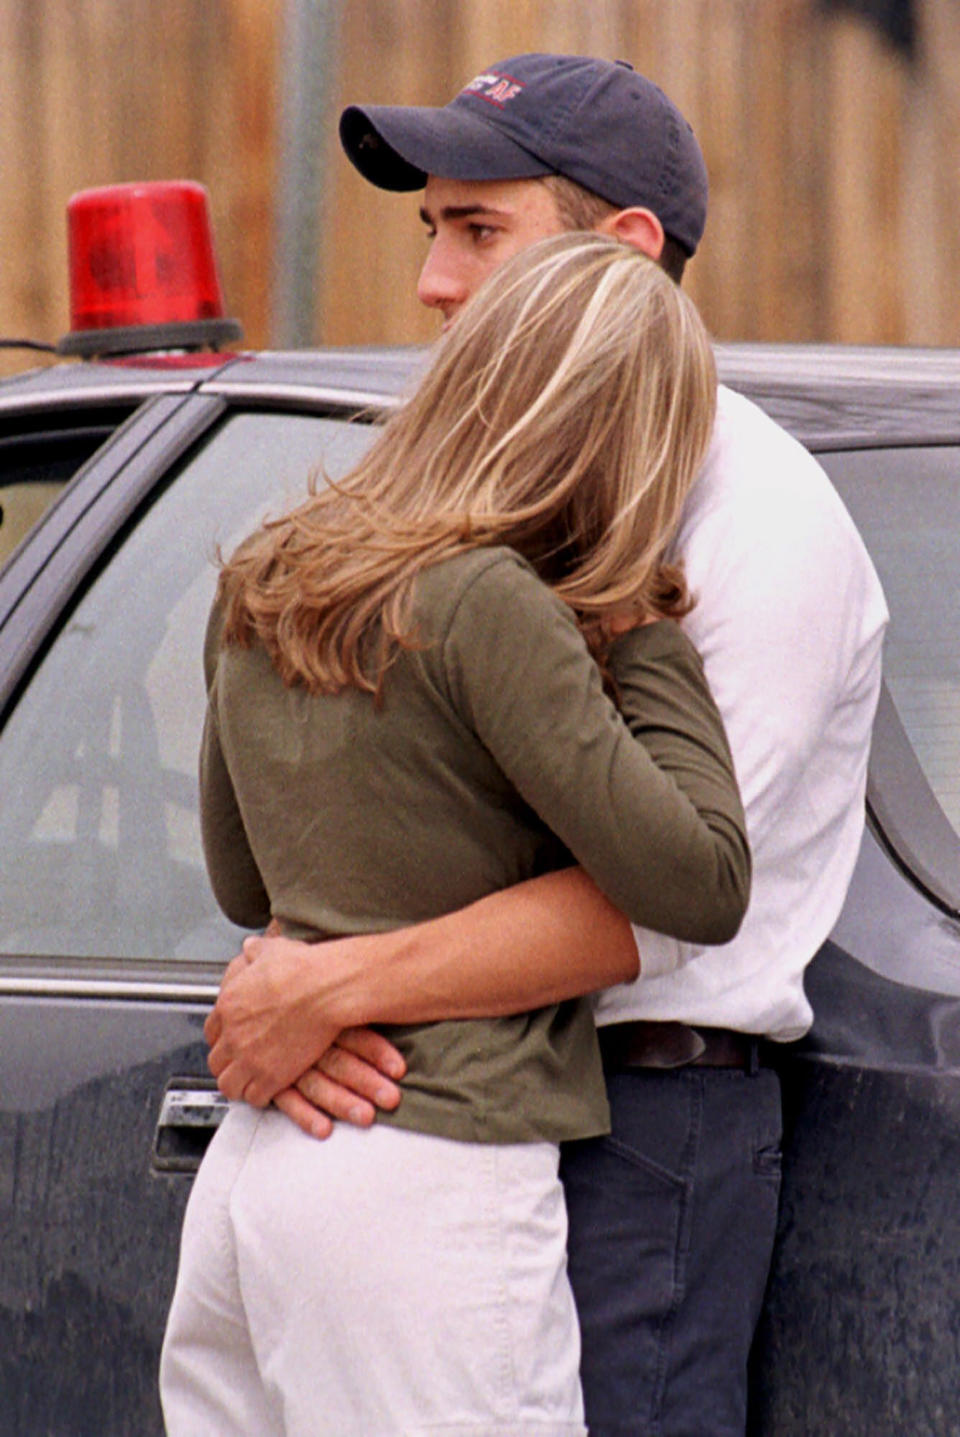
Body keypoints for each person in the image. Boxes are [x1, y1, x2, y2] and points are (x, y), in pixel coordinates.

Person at [203, 54, 889, 1436]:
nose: (433, 286)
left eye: (479, 230)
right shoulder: (456, 511)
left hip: (643, 1133)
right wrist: (308, 974)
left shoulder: (757, 517)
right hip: (438, 1111)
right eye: (429, 232)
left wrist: (317, 987)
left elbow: (660, 904)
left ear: (625, 255)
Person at [161, 232, 752, 1435]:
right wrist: (640, 617)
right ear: (624, 444)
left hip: (260, 1175)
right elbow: (702, 876)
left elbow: (239, 880)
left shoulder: (273, 570)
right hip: (435, 1181)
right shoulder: (496, 604)